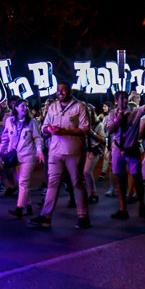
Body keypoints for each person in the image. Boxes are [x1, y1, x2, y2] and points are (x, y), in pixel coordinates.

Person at [29, 82, 91, 229]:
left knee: (77, 183)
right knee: (52, 184)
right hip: (55, 152)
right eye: (58, 90)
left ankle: (83, 216)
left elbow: (85, 129)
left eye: (63, 90)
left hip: (73, 151)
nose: (60, 93)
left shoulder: (80, 107)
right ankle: (45, 216)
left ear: (70, 90)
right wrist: (49, 129)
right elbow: (44, 126)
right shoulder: (53, 107)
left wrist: (65, 131)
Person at [106, 90, 145, 219]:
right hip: (117, 149)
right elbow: (109, 130)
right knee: (120, 178)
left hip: (131, 149)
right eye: (121, 98)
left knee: (137, 179)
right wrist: (118, 119)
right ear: (116, 101)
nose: (123, 101)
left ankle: (141, 204)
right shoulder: (112, 114)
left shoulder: (135, 111)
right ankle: (123, 208)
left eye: (125, 98)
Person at [3, 98, 45, 217]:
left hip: (28, 155)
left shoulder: (32, 122)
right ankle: (29, 205)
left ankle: (19, 208)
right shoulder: (10, 121)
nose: (25, 108)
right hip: (16, 156)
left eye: (26, 106)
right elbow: (6, 137)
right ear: (16, 108)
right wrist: (2, 150)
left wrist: (39, 150)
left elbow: (37, 138)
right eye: (22, 106)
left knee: (23, 181)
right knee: (22, 182)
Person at [83, 97, 106, 204]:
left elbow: (103, 139)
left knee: (87, 171)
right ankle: (87, 194)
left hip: (94, 149)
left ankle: (93, 193)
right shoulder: (81, 123)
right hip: (83, 150)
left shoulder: (98, 124)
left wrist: (92, 133)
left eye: (88, 112)